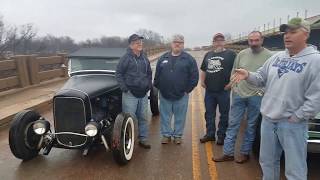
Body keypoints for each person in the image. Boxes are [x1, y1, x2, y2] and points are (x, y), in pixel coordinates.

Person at [231, 17, 320, 180]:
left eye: (293, 32)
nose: (287, 36)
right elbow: (260, 78)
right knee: (267, 163)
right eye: (286, 32)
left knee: (295, 170)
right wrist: (248, 75)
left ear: (306, 34)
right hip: (268, 121)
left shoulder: (315, 60)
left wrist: (297, 117)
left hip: (292, 124)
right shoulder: (277, 57)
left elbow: (316, 97)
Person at [213, 31, 272, 163]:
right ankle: (228, 153)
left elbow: (271, 77)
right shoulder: (242, 54)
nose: (253, 43)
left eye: (256, 40)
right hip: (239, 94)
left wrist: (263, 92)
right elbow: (234, 70)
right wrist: (234, 87)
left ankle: (245, 153)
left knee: (251, 125)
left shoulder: (269, 56)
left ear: (262, 40)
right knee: (233, 124)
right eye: (251, 40)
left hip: (256, 96)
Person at [154, 34, 199, 144]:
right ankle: (166, 135)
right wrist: (159, 87)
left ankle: (178, 135)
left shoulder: (189, 59)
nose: (177, 44)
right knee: (165, 117)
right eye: (175, 42)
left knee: (180, 117)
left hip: (181, 95)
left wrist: (187, 90)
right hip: (165, 94)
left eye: (180, 42)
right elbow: (157, 75)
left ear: (183, 44)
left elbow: (194, 77)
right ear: (171, 44)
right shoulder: (163, 58)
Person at [116, 34, 152, 149]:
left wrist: (148, 85)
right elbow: (119, 74)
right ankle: (127, 141)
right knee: (128, 119)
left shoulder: (144, 57)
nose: (140, 44)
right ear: (131, 45)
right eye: (137, 42)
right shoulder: (125, 58)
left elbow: (149, 73)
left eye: (141, 42)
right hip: (130, 94)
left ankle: (143, 139)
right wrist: (124, 88)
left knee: (143, 117)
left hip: (143, 93)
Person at [199, 33, 236, 145]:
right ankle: (210, 134)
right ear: (213, 42)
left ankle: (221, 136)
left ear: (224, 42)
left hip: (223, 91)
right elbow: (204, 70)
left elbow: (237, 70)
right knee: (209, 114)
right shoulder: (208, 55)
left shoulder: (231, 54)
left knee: (224, 114)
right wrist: (202, 81)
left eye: (221, 40)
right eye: (216, 40)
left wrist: (231, 84)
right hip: (210, 91)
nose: (219, 42)